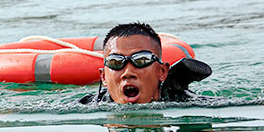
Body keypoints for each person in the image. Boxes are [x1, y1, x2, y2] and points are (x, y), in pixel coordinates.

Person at [79, 22, 212, 104]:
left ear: (162, 72)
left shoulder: (186, 102)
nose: (128, 73)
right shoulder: (88, 105)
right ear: (103, 77)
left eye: (141, 60)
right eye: (115, 62)